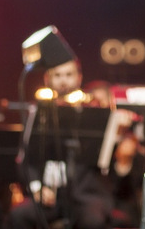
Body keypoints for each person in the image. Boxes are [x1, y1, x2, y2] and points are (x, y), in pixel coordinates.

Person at [6, 59, 113, 229]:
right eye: (57, 75)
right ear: (47, 79)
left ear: (79, 78)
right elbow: (26, 159)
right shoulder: (38, 114)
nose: (63, 81)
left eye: (69, 75)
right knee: (19, 215)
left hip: (84, 196)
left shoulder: (93, 112)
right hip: (49, 195)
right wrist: (37, 188)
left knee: (93, 220)